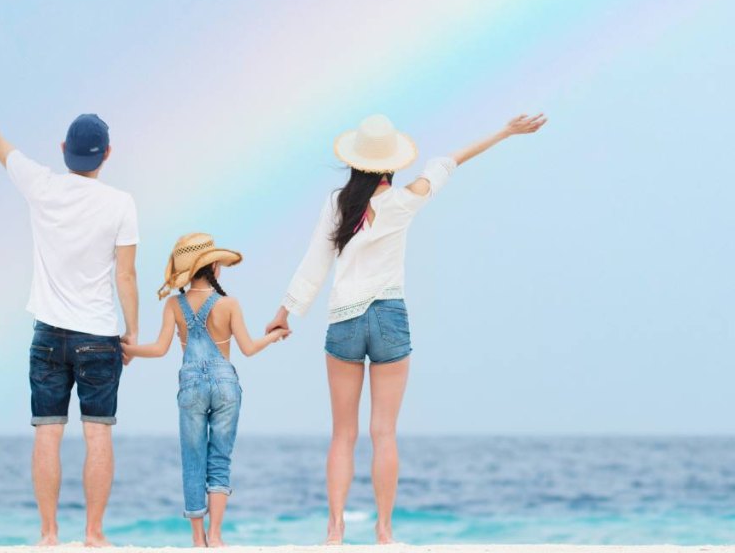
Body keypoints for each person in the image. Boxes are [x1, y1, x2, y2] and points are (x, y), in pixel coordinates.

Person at [265, 113, 547, 544]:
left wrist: (288, 310)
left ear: (356, 162)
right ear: (392, 164)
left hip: (344, 317)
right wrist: (505, 132)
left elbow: (315, 261)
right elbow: (449, 161)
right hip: (389, 316)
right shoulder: (406, 199)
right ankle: (383, 530)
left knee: (343, 432)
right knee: (384, 432)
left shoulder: (338, 204)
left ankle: (335, 529)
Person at [0, 49, 140, 548]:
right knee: (98, 435)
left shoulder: (41, 185)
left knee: (47, 433)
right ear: (107, 154)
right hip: (98, 336)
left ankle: (48, 535)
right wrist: (131, 333)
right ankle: (93, 534)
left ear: (64, 147)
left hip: (48, 333)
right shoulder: (120, 204)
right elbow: (127, 277)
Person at [123, 233, 289, 547]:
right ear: (214, 266)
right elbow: (249, 348)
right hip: (226, 385)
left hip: (191, 387)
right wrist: (276, 335)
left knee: (193, 458)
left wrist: (130, 351)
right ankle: (216, 536)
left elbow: (159, 349)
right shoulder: (229, 304)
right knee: (220, 459)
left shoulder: (174, 304)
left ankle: (199, 540)